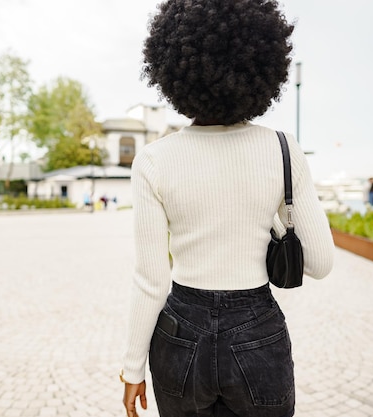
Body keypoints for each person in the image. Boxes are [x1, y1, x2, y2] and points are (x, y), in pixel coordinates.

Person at [120, 1, 335, 416]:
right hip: (257, 331)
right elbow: (321, 262)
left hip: (180, 333)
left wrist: (132, 368)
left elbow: (150, 280)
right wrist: (262, 209)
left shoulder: (153, 159)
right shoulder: (283, 148)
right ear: (262, 63)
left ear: (171, 67)